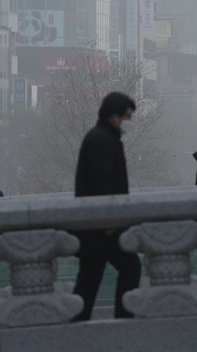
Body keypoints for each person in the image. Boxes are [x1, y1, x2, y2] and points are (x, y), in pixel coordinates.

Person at [71, 92, 143, 322]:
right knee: (130, 267)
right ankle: (123, 320)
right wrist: (109, 220)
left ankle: (76, 327)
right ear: (114, 116)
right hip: (102, 225)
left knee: (89, 280)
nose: (128, 122)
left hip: (95, 224)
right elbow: (101, 181)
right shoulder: (102, 140)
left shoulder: (102, 137)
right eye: (127, 116)